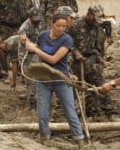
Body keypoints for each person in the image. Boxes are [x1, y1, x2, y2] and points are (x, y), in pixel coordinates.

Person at [21, 12, 84, 148]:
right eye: (58, 26)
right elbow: (38, 48)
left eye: (63, 26)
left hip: (61, 80)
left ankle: (79, 141)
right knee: (42, 113)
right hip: (43, 80)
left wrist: (35, 49)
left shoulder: (66, 40)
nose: (61, 29)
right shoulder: (43, 35)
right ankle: (44, 139)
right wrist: (27, 44)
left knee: (70, 112)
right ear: (52, 24)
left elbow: (53, 59)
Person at [69, 4, 120, 122]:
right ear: (89, 14)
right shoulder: (75, 26)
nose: (96, 21)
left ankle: (110, 113)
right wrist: (75, 53)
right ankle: (79, 115)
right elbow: (67, 42)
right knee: (74, 89)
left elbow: (94, 48)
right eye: (94, 18)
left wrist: (100, 59)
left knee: (101, 86)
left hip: (92, 62)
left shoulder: (95, 27)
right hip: (77, 63)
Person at [18, 7, 44, 111]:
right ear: (30, 17)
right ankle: (32, 104)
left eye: (39, 19)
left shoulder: (41, 23)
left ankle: (34, 97)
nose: (37, 21)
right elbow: (22, 49)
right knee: (31, 79)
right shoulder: (24, 28)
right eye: (35, 19)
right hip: (28, 55)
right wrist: (23, 65)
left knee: (40, 79)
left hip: (39, 53)